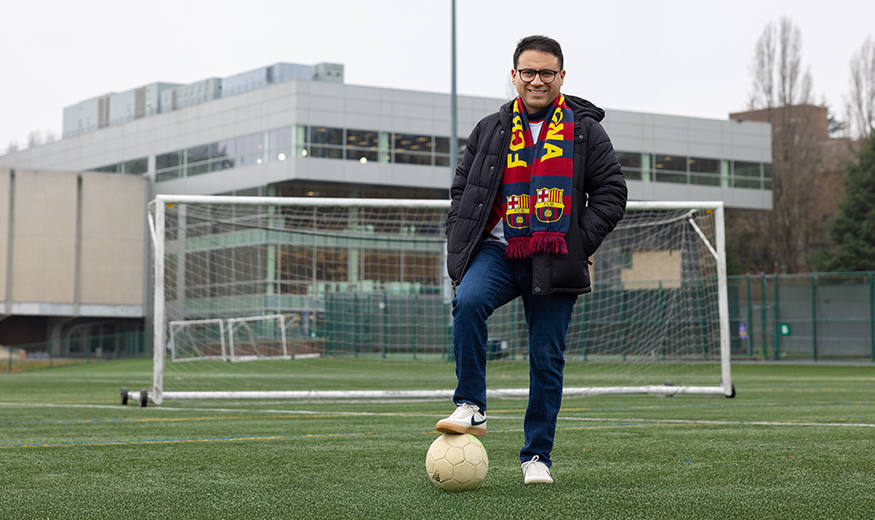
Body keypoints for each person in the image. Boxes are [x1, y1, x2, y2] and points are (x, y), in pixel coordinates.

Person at [435, 35, 627, 484]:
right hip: (498, 249)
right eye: (528, 72)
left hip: (555, 254)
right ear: (514, 75)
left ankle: (536, 457)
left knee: (545, 357)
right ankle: (472, 405)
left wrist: (578, 240)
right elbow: (463, 190)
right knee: (468, 303)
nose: (536, 81)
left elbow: (612, 193)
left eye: (546, 73)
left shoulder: (584, 129)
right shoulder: (490, 128)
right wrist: (457, 234)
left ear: (562, 76)